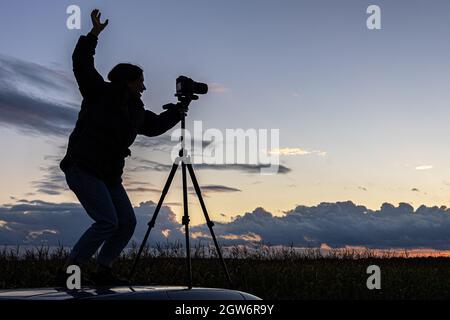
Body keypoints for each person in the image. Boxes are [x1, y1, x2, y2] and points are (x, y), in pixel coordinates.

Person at [57, 9, 183, 286]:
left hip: (109, 175)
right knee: (107, 222)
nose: (144, 86)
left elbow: (154, 126)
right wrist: (93, 35)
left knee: (126, 222)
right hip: (83, 168)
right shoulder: (98, 92)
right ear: (128, 80)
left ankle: (103, 270)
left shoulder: (135, 111)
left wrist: (179, 111)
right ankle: (71, 273)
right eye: (140, 81)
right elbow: (81, 63)